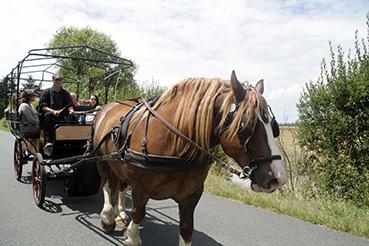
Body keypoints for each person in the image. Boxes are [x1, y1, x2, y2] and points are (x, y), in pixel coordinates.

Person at [38, 74, 73, 153]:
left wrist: (71, 110)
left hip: (62, 115)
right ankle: (48, 141)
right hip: (49, 115)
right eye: (56, 80)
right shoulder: (46, 92)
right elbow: (43, 107)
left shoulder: (65, 93)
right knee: (48, 115)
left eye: (60, 80)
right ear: (53, 80)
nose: (58, 82)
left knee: (72, 118)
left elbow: (69, 105)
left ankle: (70, 139)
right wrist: (53, 111)